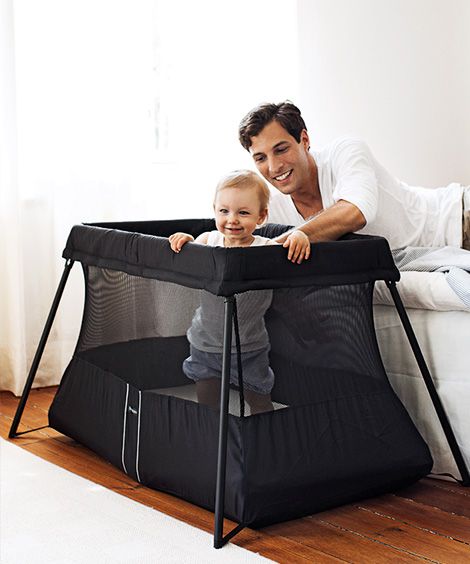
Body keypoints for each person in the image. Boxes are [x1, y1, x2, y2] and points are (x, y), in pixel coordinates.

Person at [238, 101, 470, 252]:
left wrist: (275, 248)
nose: (274, 166)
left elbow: (355, 212)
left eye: (281, 150)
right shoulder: (271, 205)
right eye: (260, 158)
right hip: (425, 255)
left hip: (457, 217)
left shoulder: (345, 152)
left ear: (304, 140)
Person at [169, 170, 309, 414]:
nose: (232, 219)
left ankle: (262, 436)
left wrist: (299, 234)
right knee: (209, 403)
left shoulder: (266, 249)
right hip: (205, 344)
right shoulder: (208, 240)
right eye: (224, 211)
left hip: (250, 348)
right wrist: (184, 238)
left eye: (243, 212)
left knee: (259, 400)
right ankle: (211, 438)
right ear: (214, 210)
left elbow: (289, 245)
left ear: (262, 216)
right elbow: (188, 252)